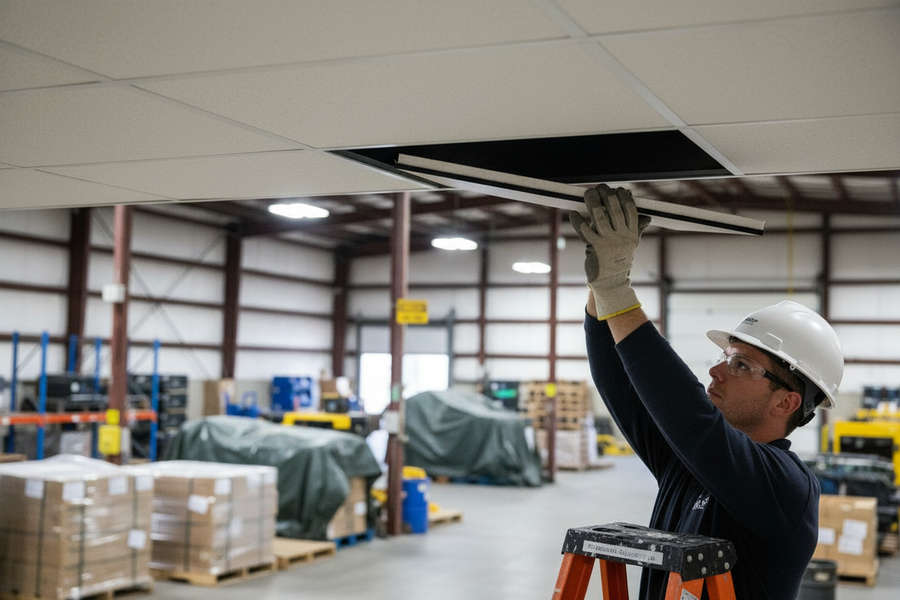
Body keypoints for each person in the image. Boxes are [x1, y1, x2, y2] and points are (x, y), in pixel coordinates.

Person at [570, 184, 844, 600]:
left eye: (741, 365)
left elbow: (692, 418)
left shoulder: (786, 487)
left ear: (786, 401)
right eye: (724, 356)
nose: (716, 370)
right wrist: (600, 289)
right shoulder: (687, 465)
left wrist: (617, 288)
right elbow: (622, 387)